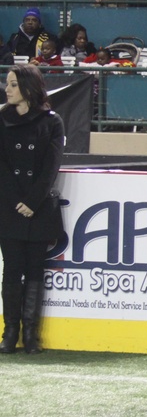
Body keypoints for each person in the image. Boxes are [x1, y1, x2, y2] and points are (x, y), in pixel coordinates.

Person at [0, 65, 66, 355]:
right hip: (9, 206)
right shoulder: (1, 119)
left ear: (28, 88)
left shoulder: (52, 121)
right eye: (7, 84)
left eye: (13, 85)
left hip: (39, 209)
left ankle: (31, 336)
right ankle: (9, 334)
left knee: (35, 270)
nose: (7, 89)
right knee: (12, 269)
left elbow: (52, 166)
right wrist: (18, 202)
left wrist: (33, 202)